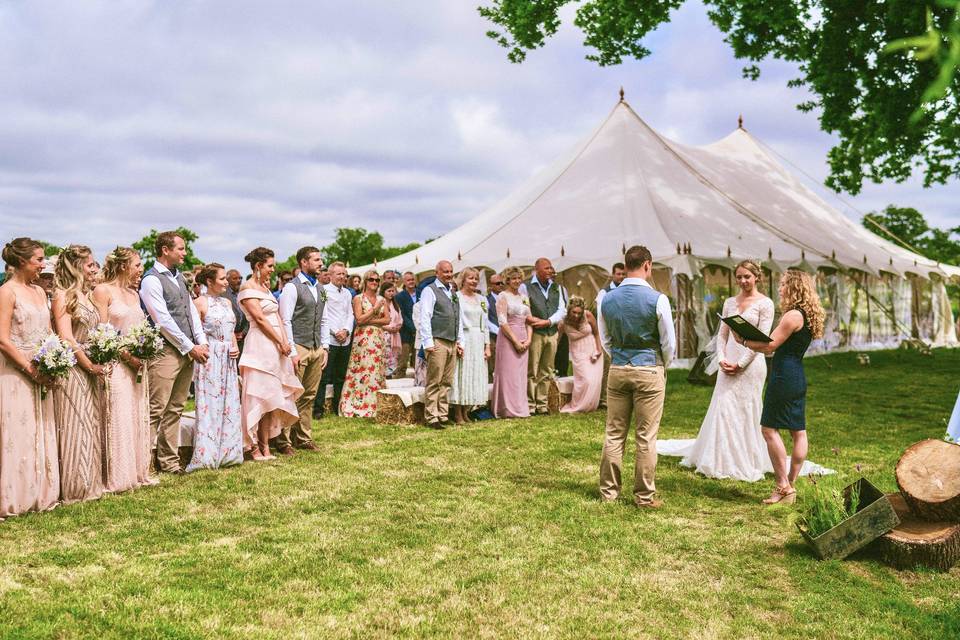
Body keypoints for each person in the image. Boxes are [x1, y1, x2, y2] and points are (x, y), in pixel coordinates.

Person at [657, 260, 775, 480]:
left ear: (757, 277)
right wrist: (722, 359)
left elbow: (763, 341)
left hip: (751, 365)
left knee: (747, 409)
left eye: (747, 277)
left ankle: (746, 458)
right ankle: (719, 458)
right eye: (739, 277)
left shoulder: (765, 304)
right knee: (723, 407)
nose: (742, 281)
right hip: (727, 361)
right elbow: (722, 335)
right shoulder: (730, 302)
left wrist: (740, 364)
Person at [736, 270, 827, 505]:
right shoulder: (807, 315)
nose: (780, 288)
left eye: (784, 284)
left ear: (794, 287)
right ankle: (790, 485)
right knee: (798, 431)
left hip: (783, 376)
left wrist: (743, 340)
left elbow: (770, 346)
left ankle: (783, 485)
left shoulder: (792, 316)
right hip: (797, 374)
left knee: (769, 430)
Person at [597, 245, 676, 508]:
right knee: (645, 436)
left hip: (618, 369)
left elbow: (605, 339)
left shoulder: (605, 299)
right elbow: (669, 342)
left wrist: (618, 357)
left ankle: (608, 494)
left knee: (614, 433)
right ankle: (644, 496)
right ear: (647, 265)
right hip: (649, 369)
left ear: (626, 265)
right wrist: (662, 365)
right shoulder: (658, 299)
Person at [139, 231, 209, 474]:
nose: (185, 253)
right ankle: (142, 463)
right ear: (165, 250)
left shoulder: (180, 277)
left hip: (188, 350)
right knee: (155, 409)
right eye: (180, 248)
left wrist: (200, 341)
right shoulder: (151, 280)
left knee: (176, 408)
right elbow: (162, 320)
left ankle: (169, 461)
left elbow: (190, 312)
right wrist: (190, 346)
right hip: (165, 352)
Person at [0, 238, 60, 517]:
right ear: (22, 262)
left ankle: (42, 491)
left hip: (43, 366)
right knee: (18, 431)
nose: (43, 264)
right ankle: (16, 496)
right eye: (38, 259)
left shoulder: (38, 291)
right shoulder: (6, 292)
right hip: (15, 370)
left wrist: (53, 363)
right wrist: (29, 369)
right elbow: (2, 340)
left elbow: (48, 333)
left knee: (42, 426)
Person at [94, 246, 157, 490]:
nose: (141, 270)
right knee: (118, 416)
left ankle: (137, 471)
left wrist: (144, 353)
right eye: (137, 265)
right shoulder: (103, 290)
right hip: (116, 363)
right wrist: (127, 355)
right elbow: (101, 331)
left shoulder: (134, 293)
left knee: (136, 414)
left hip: (137, 365)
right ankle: (117, 475)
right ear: (123, 266)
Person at [51, 245, 107, 503]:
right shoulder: (63, 296)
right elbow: (67, 338)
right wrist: (89, 365)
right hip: (74, 369)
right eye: (89, 265)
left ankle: (91, 481)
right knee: (77, 425)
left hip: (92, 365)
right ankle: (76, 486)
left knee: (91, 425)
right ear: (76, 267)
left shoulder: (87, 296)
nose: (94, 269)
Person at [237, 247, 303, 460]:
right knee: (257, 395)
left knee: (270, 397)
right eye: (270, 266)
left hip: (276, 346)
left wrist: (286, 345)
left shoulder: (267, 289)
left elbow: (278, 318)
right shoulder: (247, 288)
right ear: (258, 266)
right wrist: (277, 340)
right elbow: (261, 320)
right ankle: (253, 445)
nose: (273, 270)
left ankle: (266, 445)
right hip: (259, 345)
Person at [185, 263, 243, 472]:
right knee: (210, 404)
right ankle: (206, 455)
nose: (226, 282)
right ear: (209, 281)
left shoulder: (227, 303)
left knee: (229, 404)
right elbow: (195, 334)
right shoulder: (199, 303)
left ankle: (229, 453)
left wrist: (234, 346)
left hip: (228, 359)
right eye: (222, 279)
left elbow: (232, 329)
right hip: (210, 358)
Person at [277, 246, 328, 453]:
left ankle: (303, 437)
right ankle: (283, 440)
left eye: (320, 259)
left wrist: (325, 347)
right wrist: (291, 351)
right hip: (298, 345)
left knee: (309, 395)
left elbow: (324, 318)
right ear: (304, 263)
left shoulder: (321, 288)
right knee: (291, 394)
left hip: (316, 346)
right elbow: (285, 320)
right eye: (316, 260)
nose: (320, 263)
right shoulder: (292, 288)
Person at [340, 270, 389, 418]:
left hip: (378, 339)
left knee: (376, 370)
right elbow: (359, 320)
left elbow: (387, 320)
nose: (374, 282)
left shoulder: (382, 299)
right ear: (365, 281)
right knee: (362, 369)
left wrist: (371, 320)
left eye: (377, 280)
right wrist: (375, 310)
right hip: (363, 339)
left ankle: (374, 403)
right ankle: (359, 403)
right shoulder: (358, 298)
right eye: (371, 280)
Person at [419, 261, 462, 428]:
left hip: (452, 342)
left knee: (447, 381)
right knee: (434, 381)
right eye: (445, 271)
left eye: (451, 271)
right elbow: (425, 317)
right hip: (437, 341)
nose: (449, 274)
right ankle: (431, 417)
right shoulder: (430, 290)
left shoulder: (453, 291)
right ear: (437, 273)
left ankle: (443, 414)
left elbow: (457, 318)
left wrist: (459, 341)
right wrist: (428, 343)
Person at [522, 258, 567, 415]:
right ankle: (529, 404)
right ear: (537, 270)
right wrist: (536, 322)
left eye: (551, 268)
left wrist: (548, 322)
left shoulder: (557, 288)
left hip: (551, 332)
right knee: (532, 370)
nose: (550, 271)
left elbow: (562, 309)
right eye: (547, 268)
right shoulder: (525, 286)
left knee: (547, 370)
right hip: (534, 333)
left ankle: (542, 404)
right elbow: (524, 309)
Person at [450, 268, 490, 423]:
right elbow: (456, 321)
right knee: (462, 374)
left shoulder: (482, 299)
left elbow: (485, 324)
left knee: (475, 374)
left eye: (476, 278)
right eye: (470, 278)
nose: (474, 281)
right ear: (463, 280)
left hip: (478, 339)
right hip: (464, 337)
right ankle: (457, 413)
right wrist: (459, 342)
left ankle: (467, 411)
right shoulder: (456, 297)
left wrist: (487, 345)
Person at [490, 266, 532, 418]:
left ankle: (521, 407)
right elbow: (502, 321)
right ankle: (506, 409)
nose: (517, 281)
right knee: (509, 374)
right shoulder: (503, 296)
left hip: (523, 335)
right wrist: (515, 341)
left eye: (519, 278)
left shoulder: (524, 297)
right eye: (513, 278)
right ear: (507, 280)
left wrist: (528, 339)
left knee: (520, 375)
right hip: (508, 337)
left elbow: (529, 320)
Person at [317, 262, 354, 417]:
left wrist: (346, 330)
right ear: (330, 275)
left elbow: (350, 314)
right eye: (339, 274)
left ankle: (337, 406)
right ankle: (318, 409)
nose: (342, 277)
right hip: (330, 339)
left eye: (344, 274)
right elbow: (323, 315)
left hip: (344, 340)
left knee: (341, 375)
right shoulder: (324, 291)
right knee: (324, 376)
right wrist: (335, 332)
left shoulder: (347, 293)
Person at [558, 296, 603, 413]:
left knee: (594, 380)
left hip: (592, 347)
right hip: (577, 351)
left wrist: (599, 349)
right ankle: (578, 404)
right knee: (584, 380)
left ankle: (590, 405)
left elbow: (597, 333)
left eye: (579, 313)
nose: (576, 315)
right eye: (574, 312)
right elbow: (557, 339)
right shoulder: (563, 322)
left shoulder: (588, 315)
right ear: (569, 310)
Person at [596, 262, 626, 409]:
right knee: (608, 369)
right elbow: (601, 315)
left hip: (625, 335)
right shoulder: (604, 293)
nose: (621, 276)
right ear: (613, 274)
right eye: (618, 274)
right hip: (610, 334)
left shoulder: (627, 290)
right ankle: (604, 399)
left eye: (623, 274)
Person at [394, 271, 418, 379]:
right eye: (408, 280)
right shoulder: (400, 296)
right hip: (405, 332)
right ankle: (399, 381)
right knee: (403, 361)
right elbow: (402, 315)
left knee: (418, 360)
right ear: (404, 281)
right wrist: (413, 328)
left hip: (421, 331)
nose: (411, 282)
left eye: (412, 279)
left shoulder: (421, 293)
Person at [381, 280, 403, 377]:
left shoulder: (395, 305)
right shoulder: (380, 304)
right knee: (385, 356)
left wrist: (398, 326)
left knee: (394, 357)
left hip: (395, 334)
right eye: (388, 291)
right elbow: (378, 321)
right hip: (385, 334)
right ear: (383, 292)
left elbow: (400, 318)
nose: (391, 293)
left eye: (392, 291)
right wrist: (388, 328)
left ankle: (390, 375)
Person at [486, 273, 504, 381]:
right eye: (498, 283)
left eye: (502, 283)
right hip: (493, 336)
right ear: (491, 285)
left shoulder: (507, 298)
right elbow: (485, 319)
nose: (501, 285)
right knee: (491, 365)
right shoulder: (486, 300)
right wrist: (498, 330)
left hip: (508, 336)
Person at [225, 268, 249, 343]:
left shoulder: (244, 294)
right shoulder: (222, 295)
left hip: (243, 337)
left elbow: (249, 314)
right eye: (235, 278)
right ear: (227, 280)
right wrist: (232, 334)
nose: (239, 281)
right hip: (228, 338)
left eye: (240, 278)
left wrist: (243, 332)